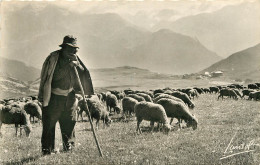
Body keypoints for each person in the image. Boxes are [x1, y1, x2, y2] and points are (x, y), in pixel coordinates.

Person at [38, 35, 94, 155]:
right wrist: (68, 66)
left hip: (69, 97)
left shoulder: (75, 59)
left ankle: (68, 146)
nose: (73, 51)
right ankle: (47, 150)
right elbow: (55, 77)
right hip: (54, 97)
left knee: (69, 121)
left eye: (75, 49)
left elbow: (83, 73)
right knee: (49, 124)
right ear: (64, 48)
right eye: (70, 48)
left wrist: (77, 65)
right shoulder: (54, 59)